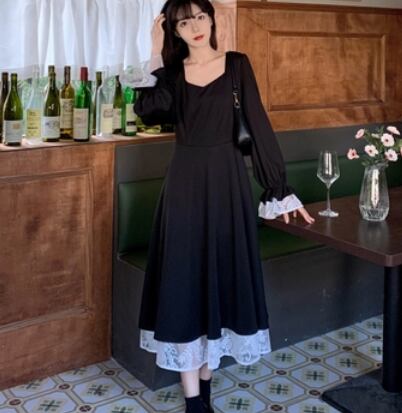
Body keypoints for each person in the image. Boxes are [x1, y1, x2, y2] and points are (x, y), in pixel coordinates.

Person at [133, 1, 315, 412]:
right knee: (183, 280)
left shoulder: (236, 65)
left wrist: (278, 187)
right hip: (183, 187)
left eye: (200, 16)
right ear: (173, 30)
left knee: (221, 277)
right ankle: (195, 403)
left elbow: (259, 125)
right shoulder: (171, 74)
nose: (195, 26)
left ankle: (205, 384)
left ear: (212, 19)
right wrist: (153, 51)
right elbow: (149, 110)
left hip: (228, 184)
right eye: (183, 22)